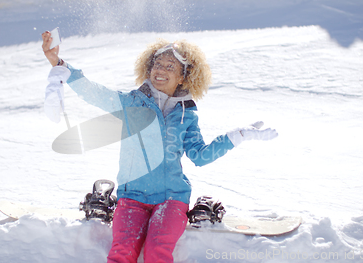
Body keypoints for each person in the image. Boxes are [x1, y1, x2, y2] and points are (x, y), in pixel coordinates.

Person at [41, 32, 278, 263]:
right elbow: (95, 93)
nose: (161, 70)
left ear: (183, 77)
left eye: (169, 67)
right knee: (121, 254)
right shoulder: (132, 102)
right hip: (131, 196)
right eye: (158, 65)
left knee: (157, 254)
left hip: (171, 199)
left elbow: (200, 156)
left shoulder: (187, 115)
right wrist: (60, 64)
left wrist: (238, 136)